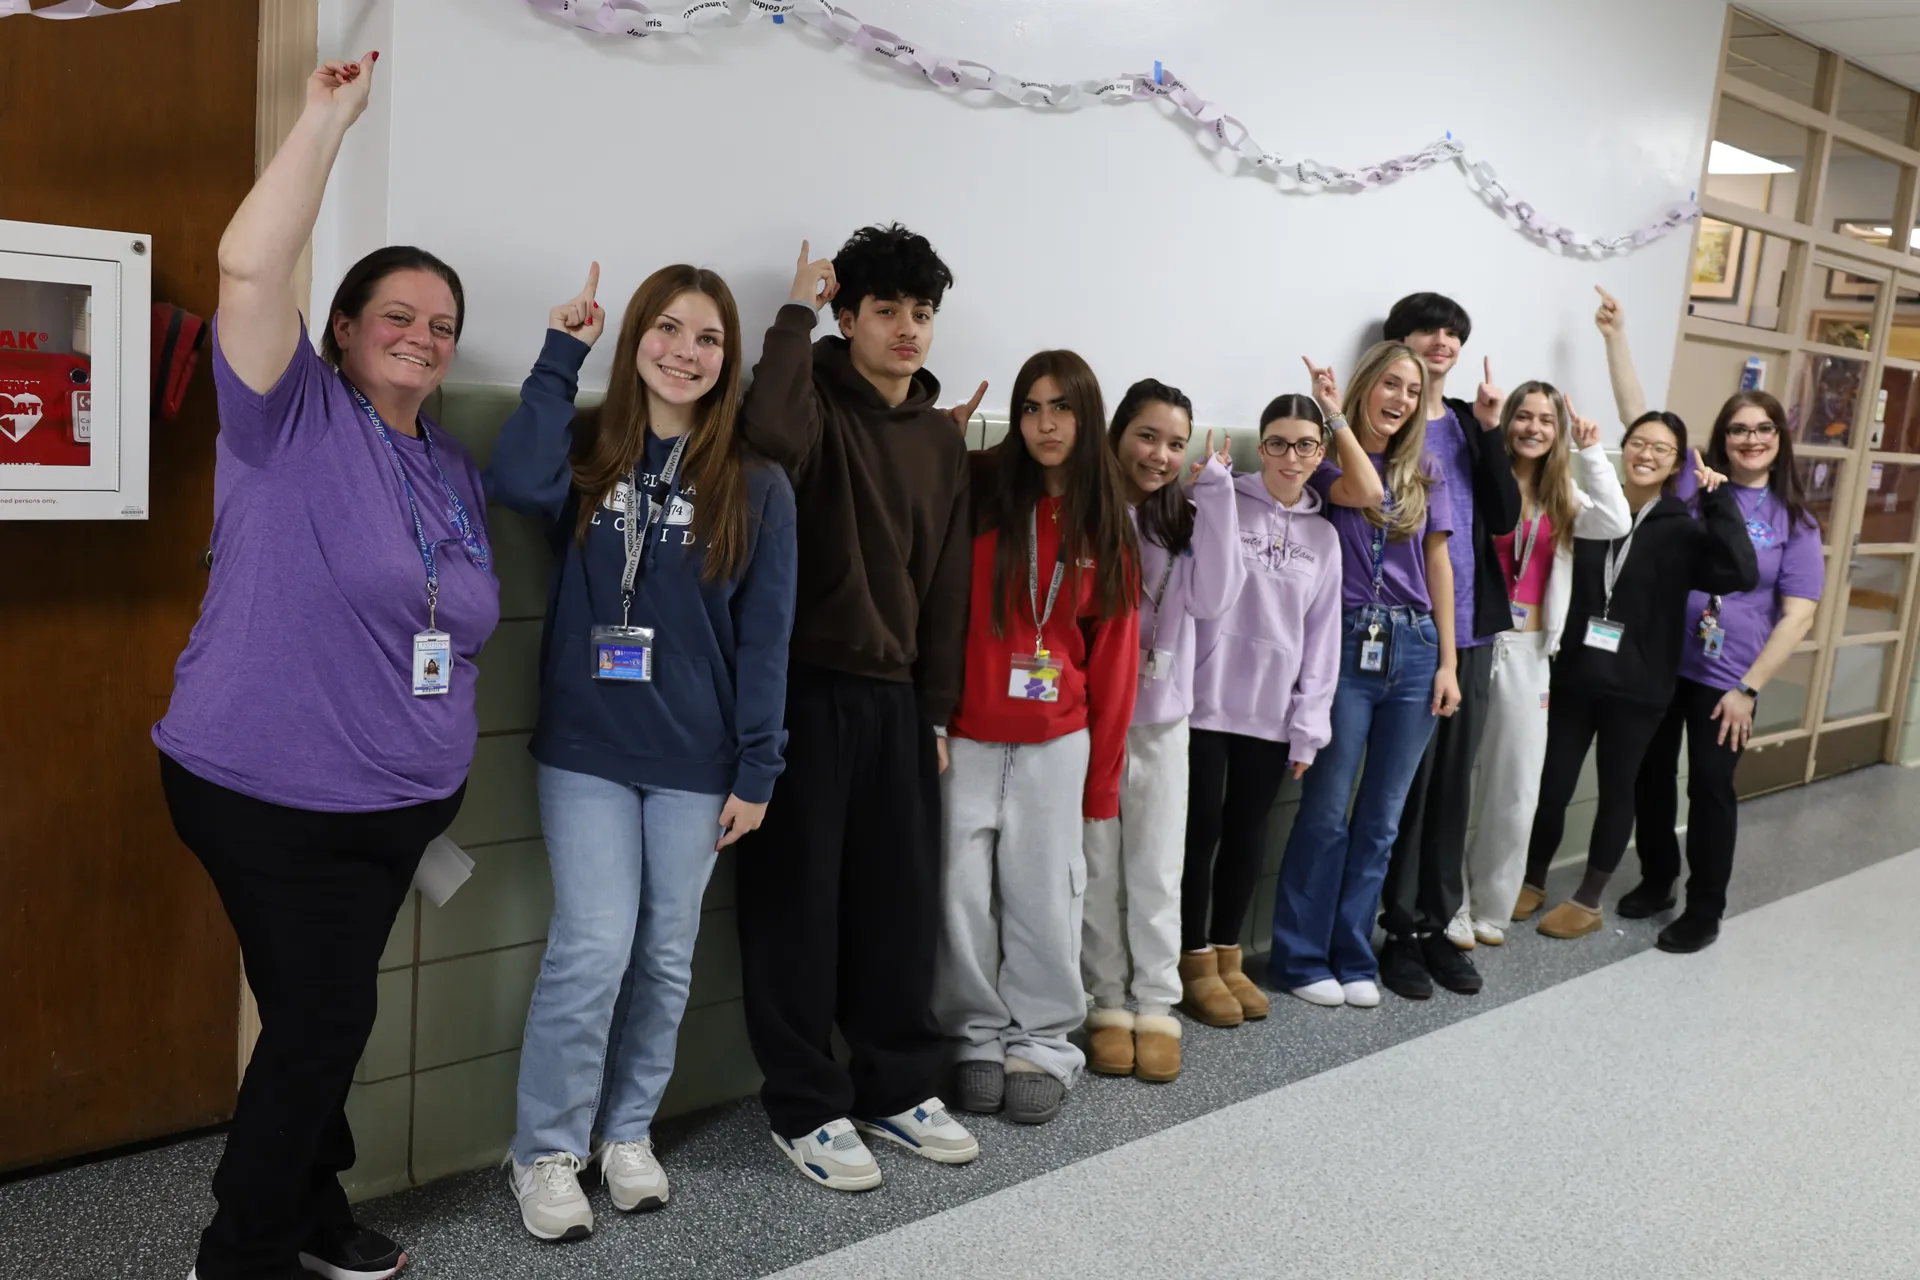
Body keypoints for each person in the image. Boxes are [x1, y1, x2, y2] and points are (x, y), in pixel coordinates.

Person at [152, 54, 499, 1280]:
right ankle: (240, 1250)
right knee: (322, 1021)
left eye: (441, 325)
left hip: (393, 809)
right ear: (341, 327)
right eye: (394, 314)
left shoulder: (449, 469)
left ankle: (311, 1208)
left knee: (319, 1011)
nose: (421, 335)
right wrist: (325, 122)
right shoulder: (283, 411)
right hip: (266, 793)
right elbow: (248, 268)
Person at [488, 263, 798, 1240]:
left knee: (665, 953)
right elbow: (513, 480)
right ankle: (544, 1150)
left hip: (697, 759)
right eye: (666, 329)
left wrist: (759, 766)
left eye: (707, 337)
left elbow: (766, 637)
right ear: (636, 343)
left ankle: (625, 1132)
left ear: (728, 358)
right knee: (591, 944)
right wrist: (557, 355)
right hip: (585, 747)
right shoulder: (588, 447)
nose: (685, 351)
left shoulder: (756, 483)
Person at [735, 230, 982, 1191]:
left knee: (898, 902)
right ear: (848, 318)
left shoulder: (937, 437)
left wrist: (938, 710)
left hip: (898, 701)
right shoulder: (811, 399)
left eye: (922, 313)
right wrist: (793, 311)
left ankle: (897, 1085)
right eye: (886, 310)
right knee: (795, 904)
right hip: (802, 685)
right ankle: (805, 1105)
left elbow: (950, 584)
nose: (908, 328)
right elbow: (768, 441)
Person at [937, 350, 1140, 1124]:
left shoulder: (1106, 518)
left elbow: (1116, 658)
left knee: (1044, 893)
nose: (1046, 424)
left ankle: (1046, 1041)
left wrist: (1103, 784)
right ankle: (974, 1035)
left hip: (1059, 738)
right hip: (969, 732)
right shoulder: (982, 488)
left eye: (1062, 408)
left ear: (1088, 418)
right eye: (1031, 408)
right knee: (960, 893)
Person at [1596, 289, 1823, 953]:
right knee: (1649, 773)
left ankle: (1705, 907)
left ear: (1778, 442)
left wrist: (1748, 688)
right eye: (1737, 430)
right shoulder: (1696, 485)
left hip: (1728, 678)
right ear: (1723, 440)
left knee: (1713, 789)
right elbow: (1643, 421)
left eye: (1762, 430)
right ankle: (1659, 876)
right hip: (1666, 660)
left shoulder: (1796, 522)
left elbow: (1799, 616)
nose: (1748, 439)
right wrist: (1616, 338)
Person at [1515, 404, 1759, 937]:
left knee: (1617, 789)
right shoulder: (1592, 512)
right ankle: (1531, 880)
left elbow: (1743, 571)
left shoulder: (1685, 531)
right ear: (1622, 451)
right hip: (1576, 675)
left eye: (1661, 449)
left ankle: (1588, 900)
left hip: (1640, 688)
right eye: (1638, 443)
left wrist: (1719, 499)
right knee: (1551, 784)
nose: (1646, 455)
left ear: (1676, 465)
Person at [1267, 344, 1461, 1009]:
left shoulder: (1428, 469)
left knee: (1380, 820)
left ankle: (1353, 955)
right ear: (1363, 387)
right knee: (1326, 813)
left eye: (1413, 391)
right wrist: (1333, 414)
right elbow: (1367, 490)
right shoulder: (1324, 461)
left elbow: (1440, 568)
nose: (1401, 400)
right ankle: (1299, 956)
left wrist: (1449, 663)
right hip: (1347, 645)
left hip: (1413, 648)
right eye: (1390, 384)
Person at [1081, 380, 1242, 1084]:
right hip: (1087, 723)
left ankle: (1155, 1005)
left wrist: (1220, 498)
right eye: (1148, 436)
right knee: (1095, 870)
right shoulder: (1089, 512)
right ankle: (1106, 1003)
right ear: (1119, 433)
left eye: (1176, 443)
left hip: (1161, 722)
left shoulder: (1186, 516)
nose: (1161, 454)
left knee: (1154, 869)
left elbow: (1215, 598)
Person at [1179, 381, 1346, 1027]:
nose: (1289, 456)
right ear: (1263, 445)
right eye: (1277, 443)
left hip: (1271, 714)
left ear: (1319, 452)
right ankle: (1193, 959)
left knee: (1248, 836)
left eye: (1304, 445)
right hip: (1204, 703)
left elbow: (1322, 639)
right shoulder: (1221, 500)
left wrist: (1308, 726)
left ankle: (1228, 954)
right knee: (1200, 835)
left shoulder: (1324, 538)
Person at [1376, 293, 1522, 1000]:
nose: (1444, 342)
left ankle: (1436, 925)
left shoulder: (1468, 422)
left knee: (1453, 787)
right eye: (1431, 330)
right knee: (1406, 787)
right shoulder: (1392, 421)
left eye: (1455, 333)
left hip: (1475, 632)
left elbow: (1503, 515)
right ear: (1397, 341)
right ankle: (1396, 931)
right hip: (1410, 633)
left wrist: (1493, 431)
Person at [1457, 382, 1630, 944]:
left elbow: (1616, 521)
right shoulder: (1484, 481)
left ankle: (1492, 904)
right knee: (1455, 782)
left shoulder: (1565, 495)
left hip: (1530, 650)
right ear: (1507, 422)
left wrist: (1591, 452)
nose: (1533, 428)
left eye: (1545, 421)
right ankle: (1449, 902)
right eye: (1523, 417)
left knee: (1515, 789)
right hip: (1476, 643)